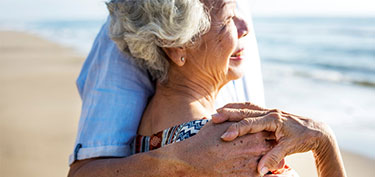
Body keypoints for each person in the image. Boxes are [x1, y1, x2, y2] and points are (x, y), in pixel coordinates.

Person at [69, 0, 346, 176]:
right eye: (228, 19)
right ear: (177, 46)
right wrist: (323, 142)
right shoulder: (227, 148)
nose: (245, 27)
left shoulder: (151, 135)